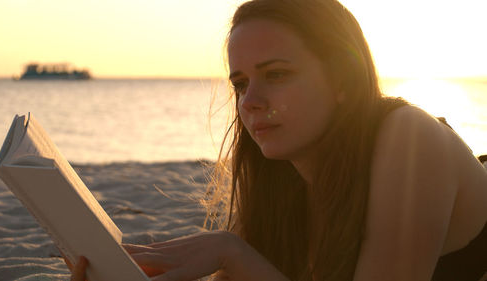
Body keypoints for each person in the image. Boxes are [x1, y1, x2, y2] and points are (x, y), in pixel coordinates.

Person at [69, 0, 487, 280]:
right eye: (240, 83)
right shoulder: (281, 183)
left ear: (342, 78)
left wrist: (233, 255)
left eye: (277, 75)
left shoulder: (410, 139)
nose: (250, 101)